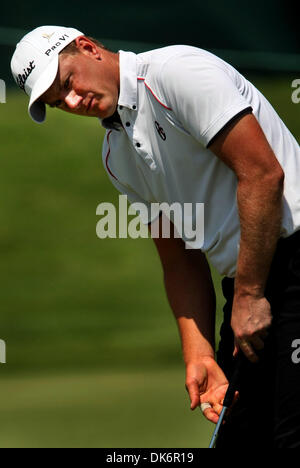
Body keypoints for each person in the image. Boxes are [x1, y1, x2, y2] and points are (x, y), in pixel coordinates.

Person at [11, 25, 300, 448]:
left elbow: (262, 175)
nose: (73, 102)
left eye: (68, 83)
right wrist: (198, 354)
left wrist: (250, 294)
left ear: (88, 48)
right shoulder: (117, 156)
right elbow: (179, 257)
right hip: (245, 285)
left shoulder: (175, 74)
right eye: (59, 102)